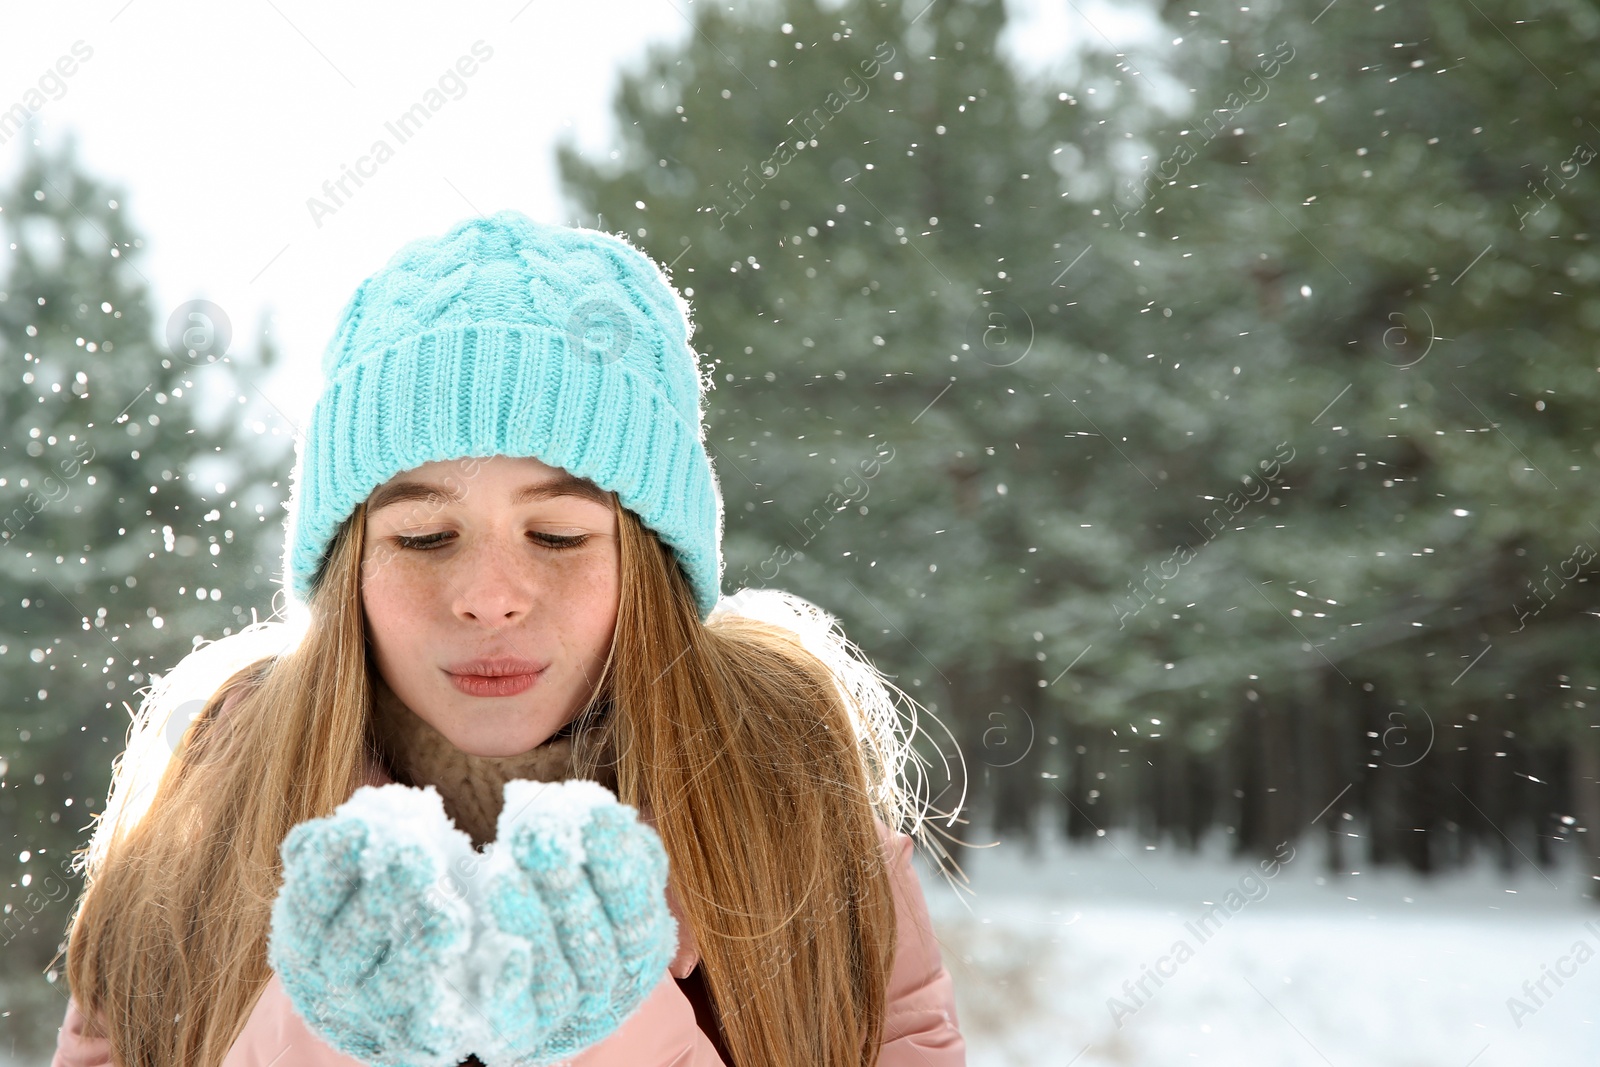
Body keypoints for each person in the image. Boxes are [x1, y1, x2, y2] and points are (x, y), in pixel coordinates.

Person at [49, 211, 967, 1066]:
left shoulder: (792, 818)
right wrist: (323, 1034)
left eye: (558, 535)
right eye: (423, 538)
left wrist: (606, 1036)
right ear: (347, 567)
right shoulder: (208, 828)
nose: (489, 598)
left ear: (650, 564)